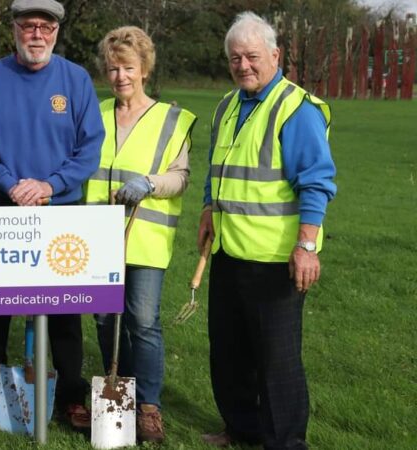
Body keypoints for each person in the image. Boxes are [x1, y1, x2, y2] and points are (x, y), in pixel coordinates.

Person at [0, 0, 105, 430]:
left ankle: (71, 396)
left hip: (59, 208)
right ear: (15, 30)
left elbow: (89, 148)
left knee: (65, 312)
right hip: (1, 207)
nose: (37, 34)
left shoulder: (76, 80)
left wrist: (49, 185)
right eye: (28, 26)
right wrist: (9, 183)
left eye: (46, 26)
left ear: (56, 32)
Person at [197, 11, 336, 449]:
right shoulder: (226, 105)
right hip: (229, 253)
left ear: (275, 55)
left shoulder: (296, 109)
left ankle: (286, 443)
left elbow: (315, 182)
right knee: (229, 353)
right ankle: (241, 430)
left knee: (278, 364)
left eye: (252, 56)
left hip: (277, 262)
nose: (243, 65)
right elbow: (216, 168)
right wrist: (207, 207)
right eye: (235, 58)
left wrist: (307, 246)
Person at [83, 26, 196, 443]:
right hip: (96, 232)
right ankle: (121, 391)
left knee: (142, 321)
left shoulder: (172, 118)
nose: (120, 77)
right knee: (103, 316)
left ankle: (149, 406)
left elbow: (181, 177)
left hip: (146, 236)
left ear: (144, 68)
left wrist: (149, 183)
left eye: (128, 67)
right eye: (113, 69)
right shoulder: (93, 113)